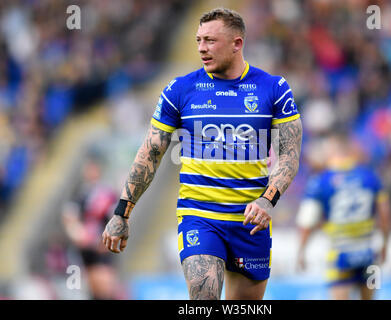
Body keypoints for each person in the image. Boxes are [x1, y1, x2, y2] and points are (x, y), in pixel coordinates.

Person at [102, 7, 302, 300]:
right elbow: (151, 151)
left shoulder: (273, 88)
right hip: (200, 216)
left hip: (251, 222)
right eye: (198, 40)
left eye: (210, 40)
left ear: (237, 43)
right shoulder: (180, 90)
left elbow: (289, 155)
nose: (201, 48)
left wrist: (267, 199)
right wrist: (123, 211)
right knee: (204, 296)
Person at [296, 132, 391, 300]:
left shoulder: (319, 182)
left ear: (330, 152)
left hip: (340, 254)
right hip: (369, 252)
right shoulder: (370, 176)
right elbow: (386, 215)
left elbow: (307, 221)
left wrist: (301, 252)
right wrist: (385, 246)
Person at [62, 156, 123, 300]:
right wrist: (77, 234)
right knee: (93, 287)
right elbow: (69, 217)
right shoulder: (79, 194)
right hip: (87, 247)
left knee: (105, 285)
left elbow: (116, 217)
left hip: (103, 244)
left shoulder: (107, 193)